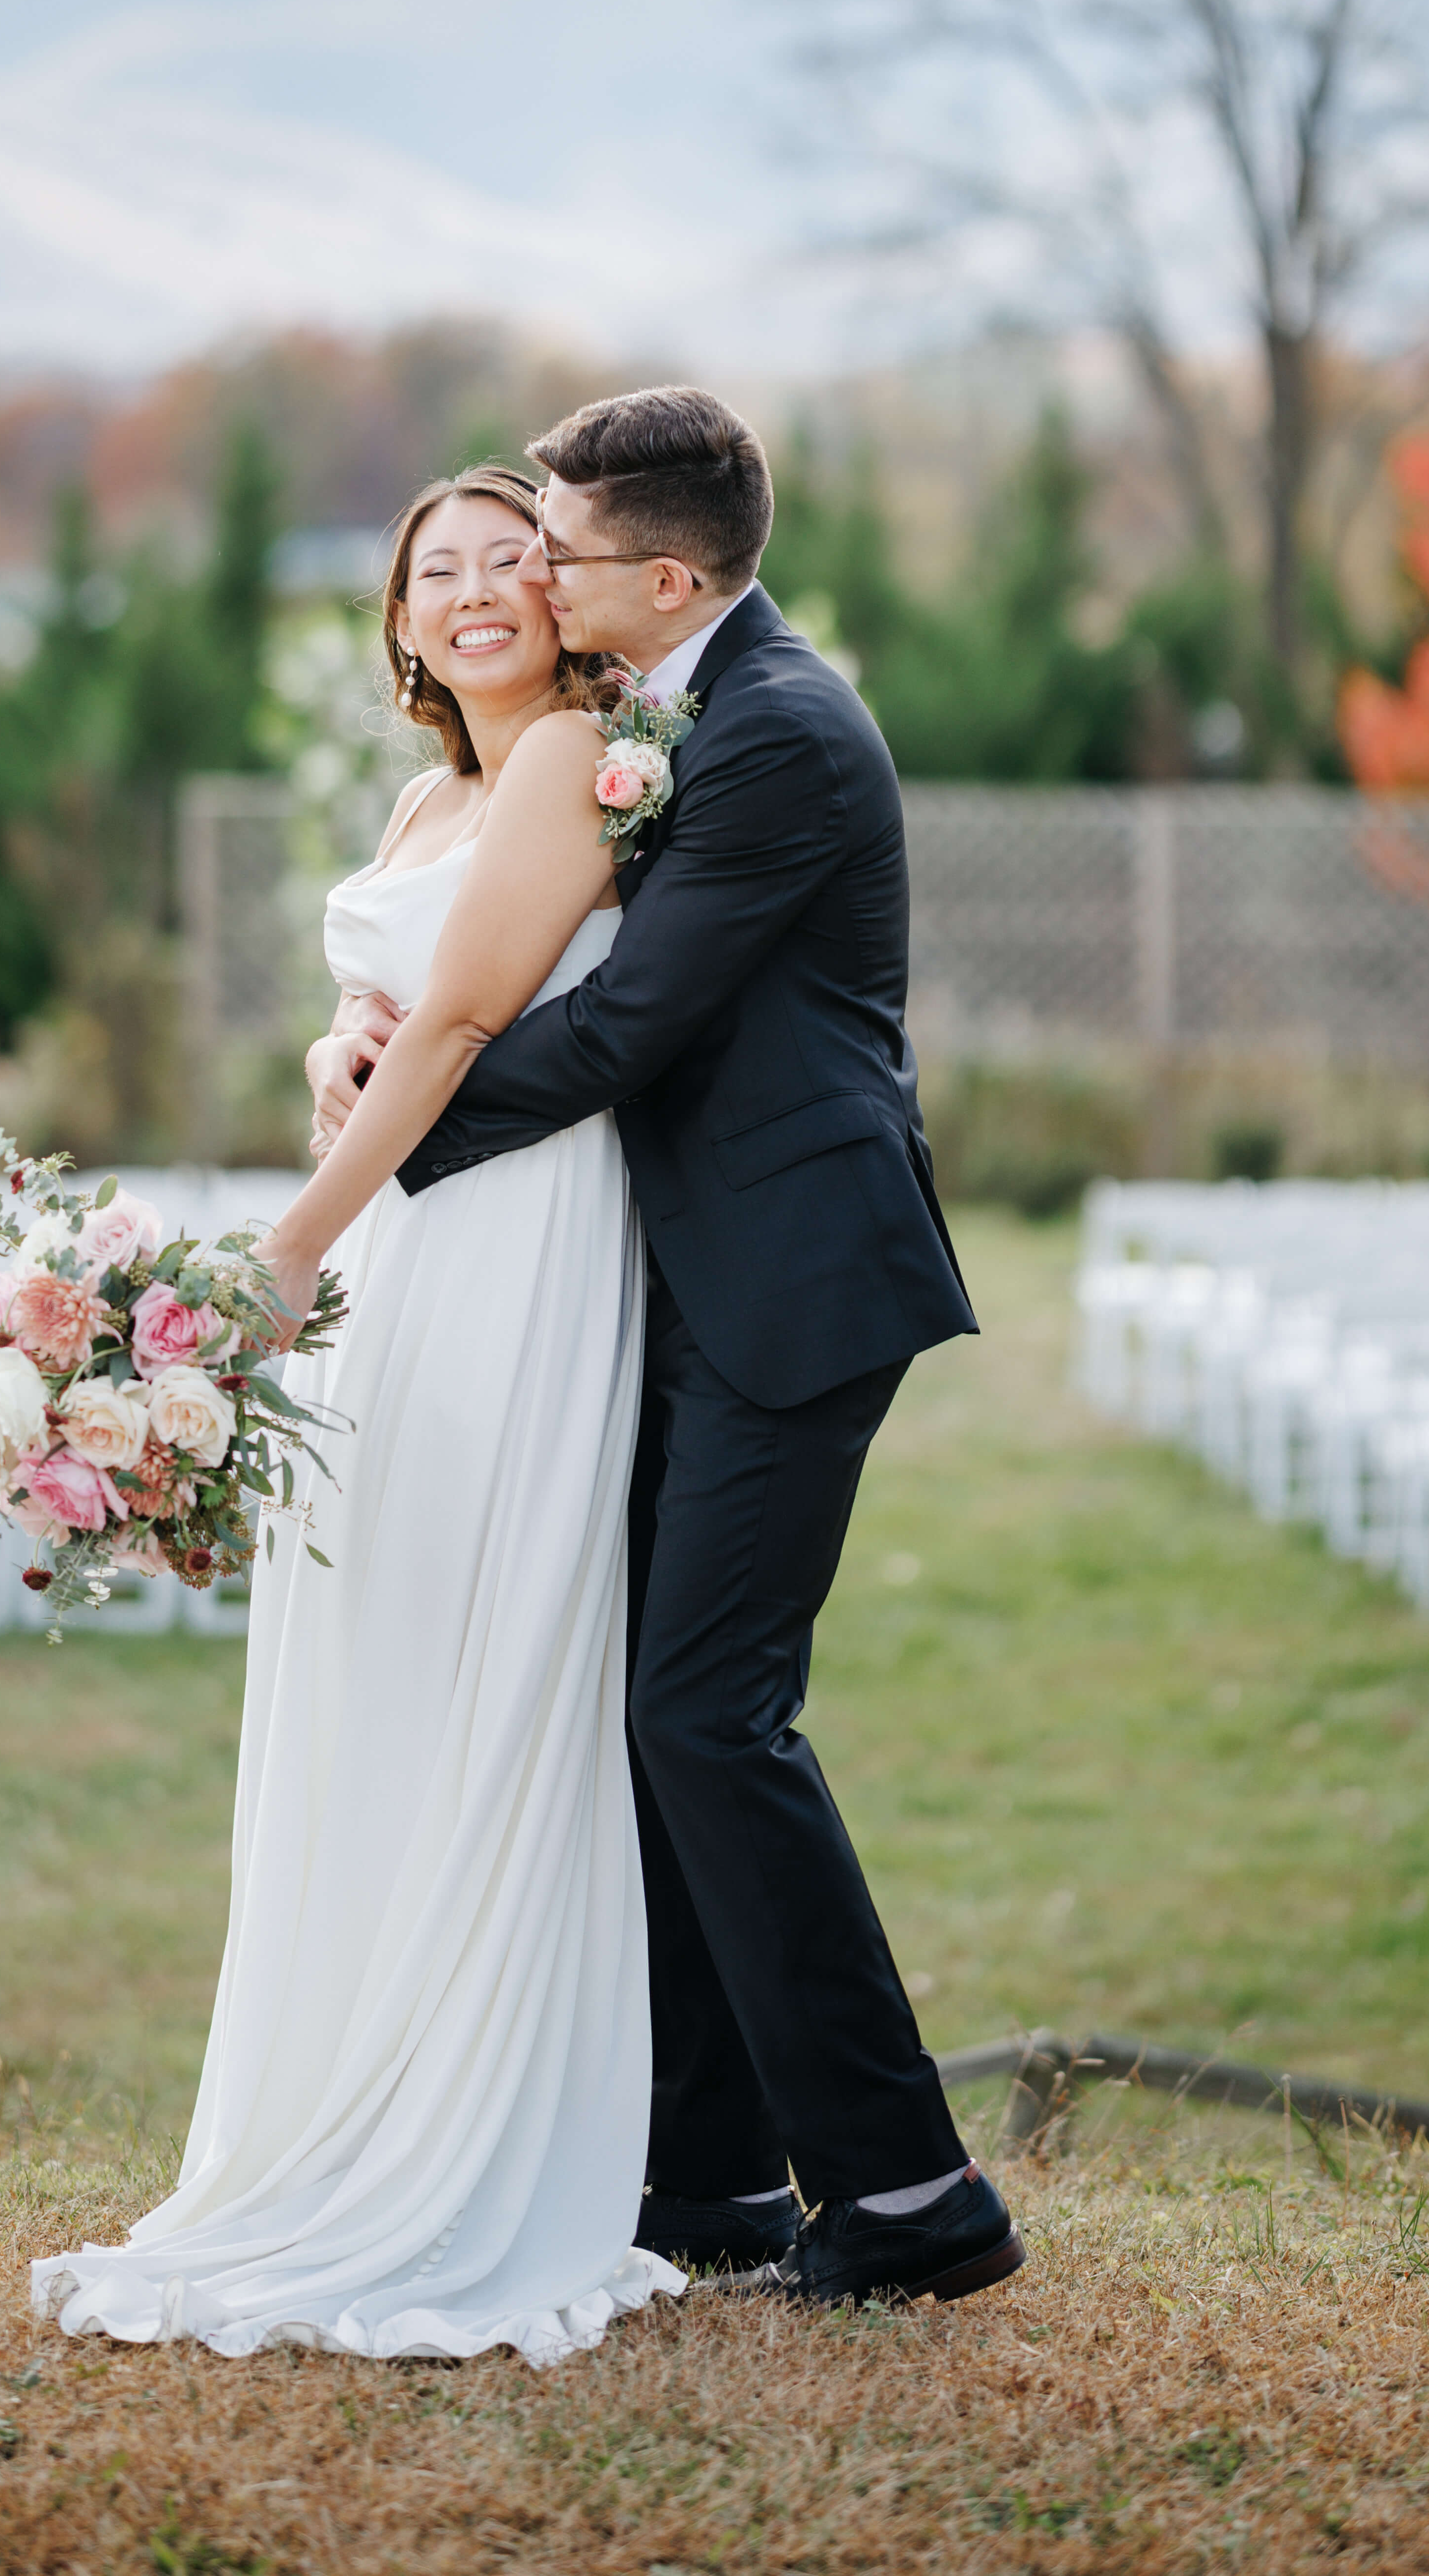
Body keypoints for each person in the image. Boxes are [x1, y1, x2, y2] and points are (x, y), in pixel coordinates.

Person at [307, 387, 1021, 2314]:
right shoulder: (683, 704)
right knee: (651, 1710)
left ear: (670, 579)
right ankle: (706, 2173)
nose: (532, 574)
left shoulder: (776, 729)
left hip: (795, 1278)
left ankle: (907, 2188)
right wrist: (363, 1048)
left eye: (556, 548)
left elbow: (627, 1028)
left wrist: (396, 1127)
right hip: (681, 1272)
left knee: (708, 1714)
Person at [30, 466, 684, 2365]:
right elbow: (385, 1012)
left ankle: (450, 2132)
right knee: (373, 1642)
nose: (474, 593)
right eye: (435, 573)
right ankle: (336, 2093)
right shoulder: (427, 796)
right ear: (399, 623)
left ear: (561, 598)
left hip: (507, 1240)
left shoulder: (565, 762)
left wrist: (291, 1249)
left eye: (509, 563)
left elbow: (468, 1026)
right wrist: (330, 1046)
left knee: (478, 1642)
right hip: (398, 1245)